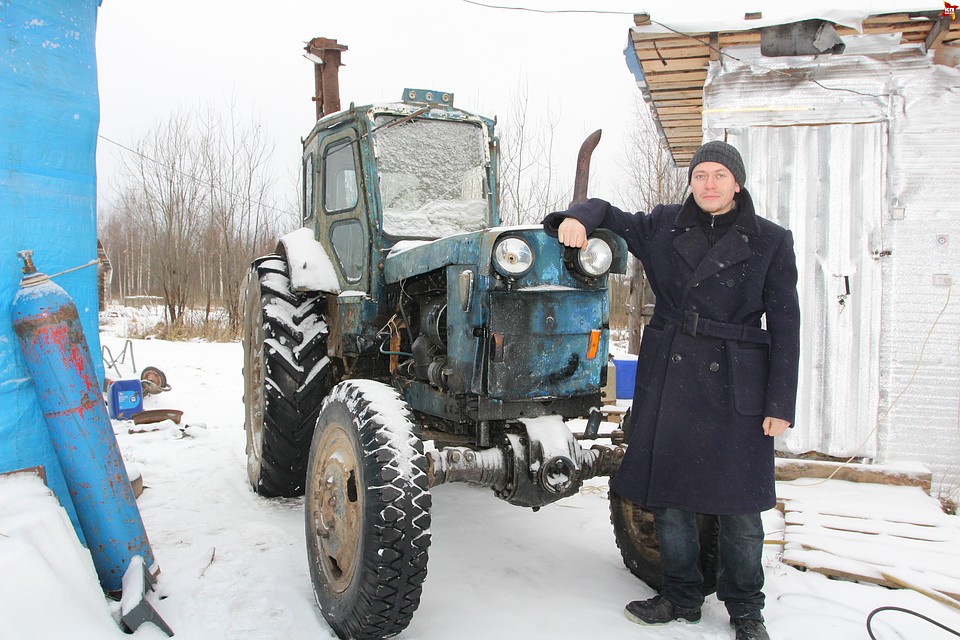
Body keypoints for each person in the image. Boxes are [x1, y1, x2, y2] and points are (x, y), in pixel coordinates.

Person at [543, 141, 800, 640]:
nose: (709, 184)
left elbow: (786, 327)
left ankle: (746, 609)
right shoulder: (665, 225)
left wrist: (779, 403)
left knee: (740, 509)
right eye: (700, 175)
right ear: (691, 182)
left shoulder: (771, 240)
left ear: (737, 183)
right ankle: (681, 596)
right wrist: (576, 217)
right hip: (673, 375)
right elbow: (609, 214)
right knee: (671, 498)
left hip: (737, 381)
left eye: (719, 175)